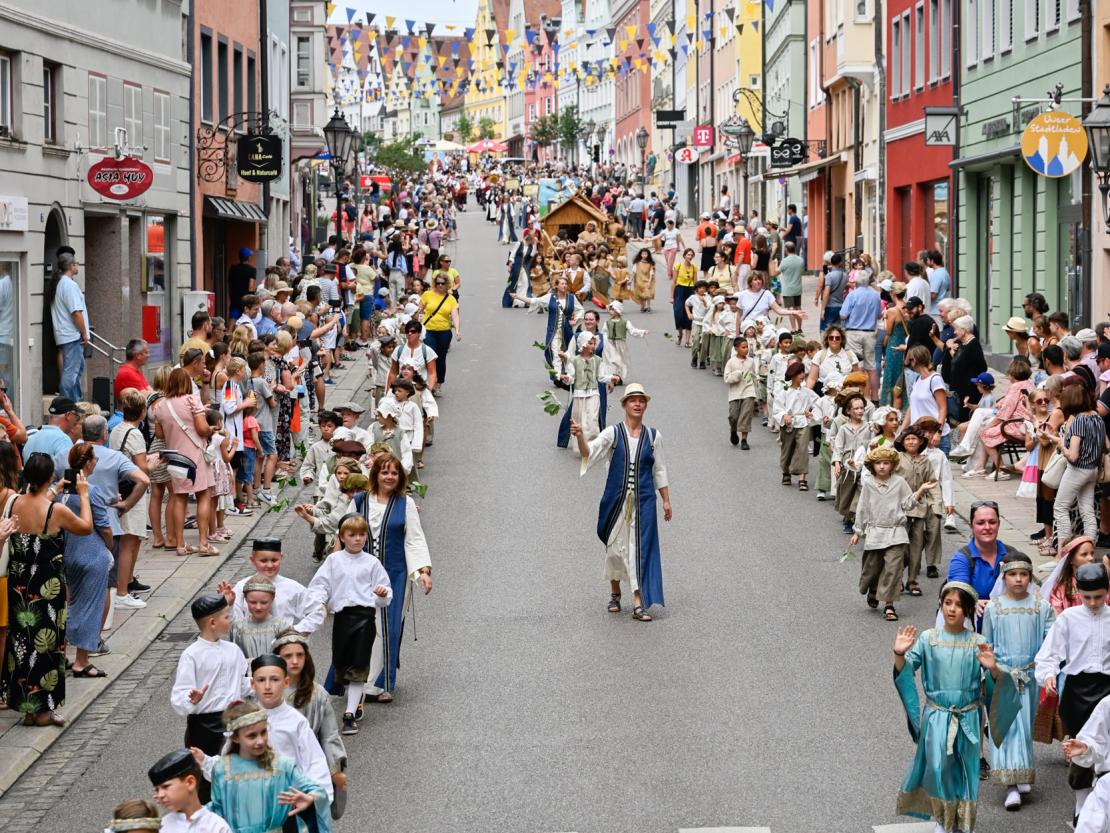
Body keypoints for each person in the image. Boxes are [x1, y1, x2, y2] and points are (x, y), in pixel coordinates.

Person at [893, 583, 1015, 833]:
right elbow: (906, 669)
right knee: (939, 766)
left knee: (967, 770)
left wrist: (992, 668)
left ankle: (962, 823)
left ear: (969, 610)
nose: (952, 609)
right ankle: (943, 821)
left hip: (969, 716)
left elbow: (996, 681)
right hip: (938, 716)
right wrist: (899, 654)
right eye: (948, 603)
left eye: (959, 605)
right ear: (940, 605)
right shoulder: (928, 639)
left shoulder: (978, 642)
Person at [3, 452, 92, 725]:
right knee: (48, 643)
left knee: (22, 643)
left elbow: (38, 501)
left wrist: (54, 490)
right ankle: (44, 710)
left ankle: (28, 707)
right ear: (50, 476)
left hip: (19, 582)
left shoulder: (14, 502)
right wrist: (84, 495)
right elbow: (86, 527)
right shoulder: (57, 511)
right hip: (46, 584)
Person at [572, 384, 672, 623]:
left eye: (641, 401)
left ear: (645, 405)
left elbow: (660, 470)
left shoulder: (653, 436)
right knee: (615, 550)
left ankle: (638, 602)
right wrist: (580, 437)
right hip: (617, 502)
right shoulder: (612, 433)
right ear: (625, 405)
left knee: (639, 549)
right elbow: (590, 453)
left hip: (644, 502)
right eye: (632, 400)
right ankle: (615, 591)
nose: (637, 404)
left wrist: (666, 501)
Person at [349, 454, 432, 702]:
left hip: (394, 574)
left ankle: (382, 683)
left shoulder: (404, 504)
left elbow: (414, 538)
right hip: (360, 574)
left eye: (394, 473)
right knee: (360, 627)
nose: (389, 477)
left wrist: (422, 572)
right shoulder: (359, 501)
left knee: (388, 628)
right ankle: (356, 679)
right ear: (375, 474)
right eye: (384, 472)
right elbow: (343, 533)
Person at [1036, 562, 1110, 823]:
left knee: (1105, 748)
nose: (1092, 602)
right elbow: (1049, 653)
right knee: (1081, 747)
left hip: (1107, 690)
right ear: (1078, 592)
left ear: (1107, 592)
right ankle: (1081, 802)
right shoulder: (1068, 618)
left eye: (1098, 597)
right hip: (1077, 690)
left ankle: (1102, 803)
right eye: (1086, 596)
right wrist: (1048, 675)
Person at [306, 513, 393, 734]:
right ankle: (356, 698)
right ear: (342, 537)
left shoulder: (372, 563)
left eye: (362, 535)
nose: (357, 539)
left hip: (364, 617)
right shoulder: (334, 561)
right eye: (352, 535)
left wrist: (382, 594)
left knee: (359, 664)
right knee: (342, 662)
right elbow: (320, 585)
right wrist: (319, 603)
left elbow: (384, 591)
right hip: (343, 619)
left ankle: (349, 714)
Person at [981, 552, 1055, 811]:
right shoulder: (994, 608)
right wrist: (988, 673)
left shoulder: (1041, 607)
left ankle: (1021, 773)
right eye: (1013, 574)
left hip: (1030, 676)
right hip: (1002, 676)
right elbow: (986, 643)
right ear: (1004, 577)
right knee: (1007, 727)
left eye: (1023, 574)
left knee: (1024, 727)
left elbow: (1051, 643)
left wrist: (1048, 671)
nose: (1019, 579)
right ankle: (1011, 786)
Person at [206, 701, 329, 833]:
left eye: (263, 732)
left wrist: (311, 799)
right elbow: (216, 809)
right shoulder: (222, 769)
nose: (260, 740)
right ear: (235, 738)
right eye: (252, 736)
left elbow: (315, 790)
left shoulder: (282, 766)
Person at [852, 445, 932, 621]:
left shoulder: (899, 483)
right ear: (872, 465)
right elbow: (862, 508)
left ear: (892, 465)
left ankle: (889, 604)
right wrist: (858, 531)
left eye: (886, 463)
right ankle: (873, 588)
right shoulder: (868, 485)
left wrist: (920, 491)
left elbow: (907, 505)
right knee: (872, 567)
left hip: (896, 532)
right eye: (878, 463)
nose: (882, 466)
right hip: (875, 531)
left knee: (893, 569)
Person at [273, 629, 348, 808]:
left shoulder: (318, 694)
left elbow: (329, 736)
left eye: (300, 655)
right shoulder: (267, 692)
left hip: (308, 766)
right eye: (288, 656)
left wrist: (334, 770)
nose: (295, 661)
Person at [58, 442, 113, 678]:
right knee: (91, 606)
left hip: (68, 553)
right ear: (89, 463)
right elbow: (104, 528)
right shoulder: (91, 492)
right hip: (91, 553)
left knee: (69, 605)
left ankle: (61, 656)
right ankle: (82, 660)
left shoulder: (59, 493)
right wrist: (109, 547)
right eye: (95, 460)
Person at [155, 368, 216, 555]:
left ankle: (180, 544)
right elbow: (201, 428)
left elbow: (159, 434)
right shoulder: (192, 400)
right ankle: (203, 543)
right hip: (195, 454)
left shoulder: (161, 406)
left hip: (175, 457)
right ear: (187, 383)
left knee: (179, 498)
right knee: (203, 495)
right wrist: (212, 429)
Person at [1053, 381, 1107, 547]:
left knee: (1060, 508)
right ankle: (1088, 551)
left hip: (1078, 469)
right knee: (1087, 510)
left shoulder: (1078, 421)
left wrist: (1061, 444)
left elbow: (1073, 455)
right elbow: (1107, 445)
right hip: (1093, 470)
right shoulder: (1097, 417)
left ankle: (1063, 554)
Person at [149, 747, 231, 833]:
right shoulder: (162, 827)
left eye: (166, 787)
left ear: (190, 782)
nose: (160, 795)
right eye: (157, 790)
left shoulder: (216, 826)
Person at [47, 252, 90, 401]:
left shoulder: (60, 283)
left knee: (76, 371)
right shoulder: (69, 285)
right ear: (72, 266)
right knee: (71, 373)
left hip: (66, 334)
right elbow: (76, 313)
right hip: (72, 335)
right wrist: (84, 333)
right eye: (76, 263)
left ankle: (75, 402)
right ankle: (67, 405)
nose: (77, 266)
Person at [774, 362, 818, 491]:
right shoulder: (784, 391)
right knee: (787, 449)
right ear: (792, 375)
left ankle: (802, 478)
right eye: (799, 373)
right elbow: (777, 408)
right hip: (789, 423)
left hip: (803, 422)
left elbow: (818, 403)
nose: (802, 375)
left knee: (803, 449)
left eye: (803, 372)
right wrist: (784, 415)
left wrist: (812, 413)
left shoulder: (807, 392)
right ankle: (786, 471)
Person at [942, 314, 989, 422]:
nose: (954, 332)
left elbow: (981, 368)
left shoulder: (973, 345)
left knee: (964, 421)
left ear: (964, 330)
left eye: (956, 329)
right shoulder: (963, 344)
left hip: (967, 393)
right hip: (959, 391)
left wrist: (970, 388)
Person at [419, 273, 460, 392]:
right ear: (434, 284)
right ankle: (430, 380)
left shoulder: (450, 299)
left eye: (443, 283)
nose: (440, 285)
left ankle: (439, 383)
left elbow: (455, 316)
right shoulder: (427, 295)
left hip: (444, 331)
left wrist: (457, 330)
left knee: (441, 358)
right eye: (438, 283)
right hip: (428, 330)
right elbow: (419, 311)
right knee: (430, 356)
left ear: (447, 284)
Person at [723, 336, 758, 449]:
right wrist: (737, 375)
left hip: (748, 391)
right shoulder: (731, 362)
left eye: (747, 347)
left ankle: (744, 440)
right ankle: (733, 430)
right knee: (733, 416)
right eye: (743, 347)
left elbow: (753, 376)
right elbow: (726, 378)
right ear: (736, 348)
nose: (746, 349)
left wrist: (756, 391)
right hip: (735, 393)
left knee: (746, 416)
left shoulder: (751, 361)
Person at [818, 253, 847, 333]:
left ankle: (825, 345)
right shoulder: (845, 275)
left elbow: (826, 293)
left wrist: (823, 309)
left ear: (831, 262)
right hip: (841, 305)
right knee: (838, 330)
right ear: (840, 263)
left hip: (830, 306)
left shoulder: (829, 276)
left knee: (824, 329)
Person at [227, 248, 256, 319]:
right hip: (246, 299)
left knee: (232, 320)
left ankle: (230, 330)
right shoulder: (252, 269)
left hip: (235, 298)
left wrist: (231, 295)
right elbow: (251, 286)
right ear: (248, 257)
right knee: (245, 320)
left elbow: (229, 283)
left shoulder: (233, 268)